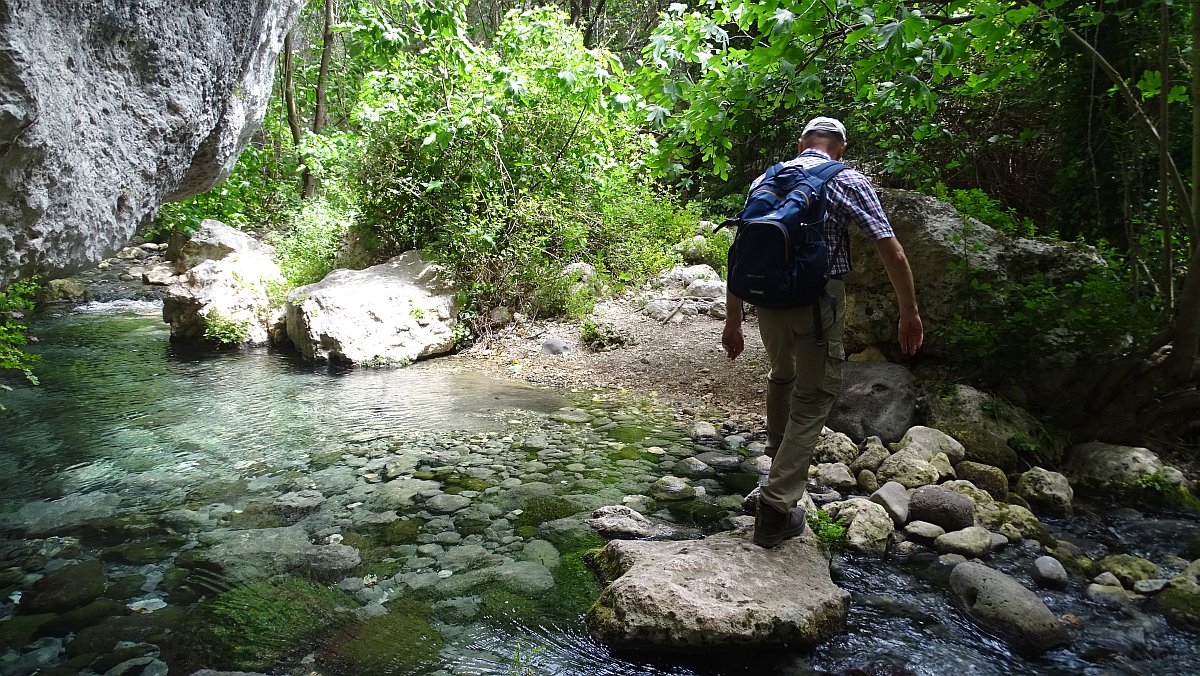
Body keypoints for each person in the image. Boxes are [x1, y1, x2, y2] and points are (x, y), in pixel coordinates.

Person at [721, 116, 924, 548]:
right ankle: (776, 508)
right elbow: (892, 249)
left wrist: (733, 318)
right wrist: (909, 312)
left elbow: (740, 250)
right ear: (841, 148)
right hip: (818, 300)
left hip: (767, 298)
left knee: (781, 376)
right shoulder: (847, 180)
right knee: (814, 398)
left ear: (801, 145)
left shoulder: (765, 178)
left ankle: (780, 468)